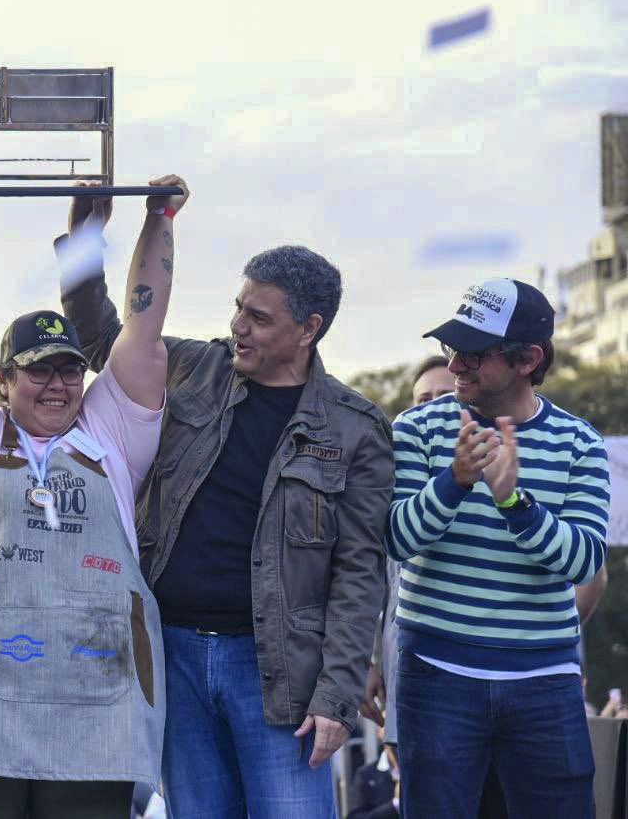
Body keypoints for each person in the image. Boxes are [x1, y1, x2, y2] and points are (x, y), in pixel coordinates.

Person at [60, 202, 393, 819]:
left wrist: (337, 696)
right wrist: (84, 238)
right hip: (173, 656)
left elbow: (360, 575)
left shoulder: (357, 429)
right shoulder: (192, 366)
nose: (238, 324)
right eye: (239, 307)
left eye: (259, 318)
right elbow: (100, 337)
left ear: (309, 328)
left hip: (280, 679)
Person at [0, 175, 185, 818]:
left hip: (96, 711)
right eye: (39, 369)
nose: (58, 385)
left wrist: (158, 217)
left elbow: (143, 330)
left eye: (70, 369)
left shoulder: (110, 432)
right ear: (2, 378)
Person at [386, 278, 608, 818]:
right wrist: (455, 481)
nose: (456, 364)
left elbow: (584, 561)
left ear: (528, 359)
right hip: (434, 672)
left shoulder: (580, 442)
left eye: (473, 354)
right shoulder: (415, 429)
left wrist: (516, 503)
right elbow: (396, 539)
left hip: (544, 681)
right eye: (451, 348)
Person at [361, 356, 454, 742]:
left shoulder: (496, 477)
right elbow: (364, 578)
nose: (432, 407)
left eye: (445, 397)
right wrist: (364, 661)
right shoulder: (387, 485)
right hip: (405, 687)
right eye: (422, 399)